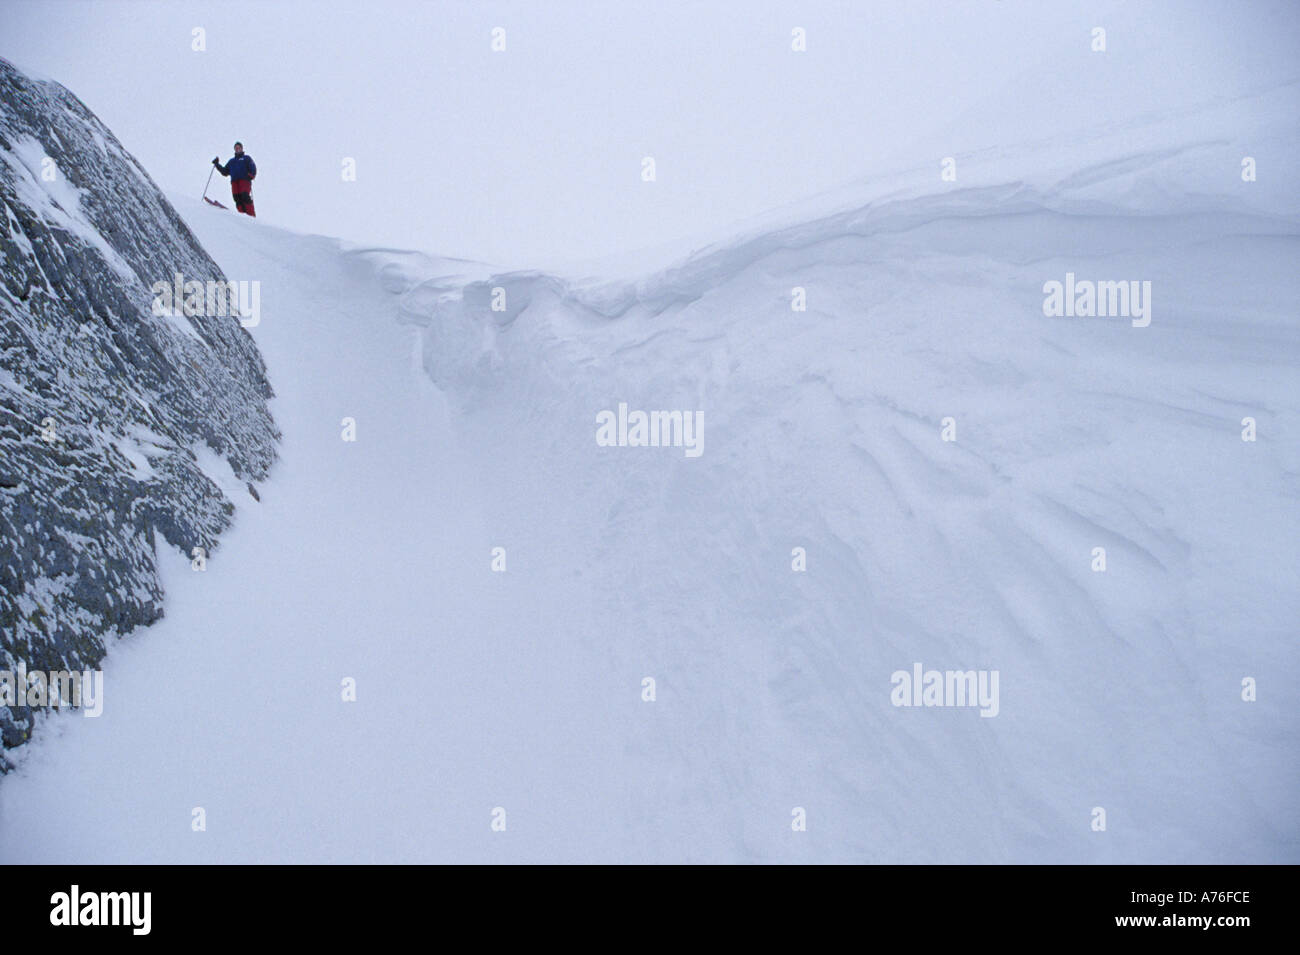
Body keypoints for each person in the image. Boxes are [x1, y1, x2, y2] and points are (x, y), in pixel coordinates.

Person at [212, 142, 257, 217]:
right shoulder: (232, 161)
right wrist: (217, 164)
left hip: (244, 180)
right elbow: (225, 172)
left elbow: (252, 166)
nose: (237, 149)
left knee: (244, 196)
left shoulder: (246, 158)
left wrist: (252, 174)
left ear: (242, 149)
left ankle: (251, 214)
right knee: (237, 198)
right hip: (234, 181)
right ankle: (242, 214)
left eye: (239, 148)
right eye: (236, 148)